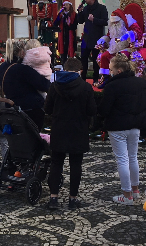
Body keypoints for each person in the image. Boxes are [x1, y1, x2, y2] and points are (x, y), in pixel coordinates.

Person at [44, 57, 97, 210]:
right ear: (80, 71)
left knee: (56, 163)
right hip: (78, 129)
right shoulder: (86, 87)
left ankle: (53, 198)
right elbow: (92, 110)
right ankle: (72, 199)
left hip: (59, 128)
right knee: (75, 165)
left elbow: (47, 109)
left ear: (65, 69)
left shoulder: (55, 87)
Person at [98, 54, 146, 205]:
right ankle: (136, 190)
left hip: (117, 126)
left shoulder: (112, 86)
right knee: (133, 157)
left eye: (111, 69)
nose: (109, 72)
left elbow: (104, 109)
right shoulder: (142, 83)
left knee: (122, 159)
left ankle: (127, 195)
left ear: (118, 71)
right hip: (135, 125)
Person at [1, 40, 50, 131]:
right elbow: (44, 85)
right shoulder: (22, 69)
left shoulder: (2, 67)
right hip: (30, 110)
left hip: (11, 109)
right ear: (22, 52)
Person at [76, 0, 108, 80]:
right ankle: (83, 79)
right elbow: (81, 21)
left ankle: (95, 79)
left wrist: (94, 20)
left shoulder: (101, 8)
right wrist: (80, 12)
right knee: (83, 60)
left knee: (96, 61)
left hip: (96, 39)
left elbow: (105, 22)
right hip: (86, 38)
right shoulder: (86, 9)